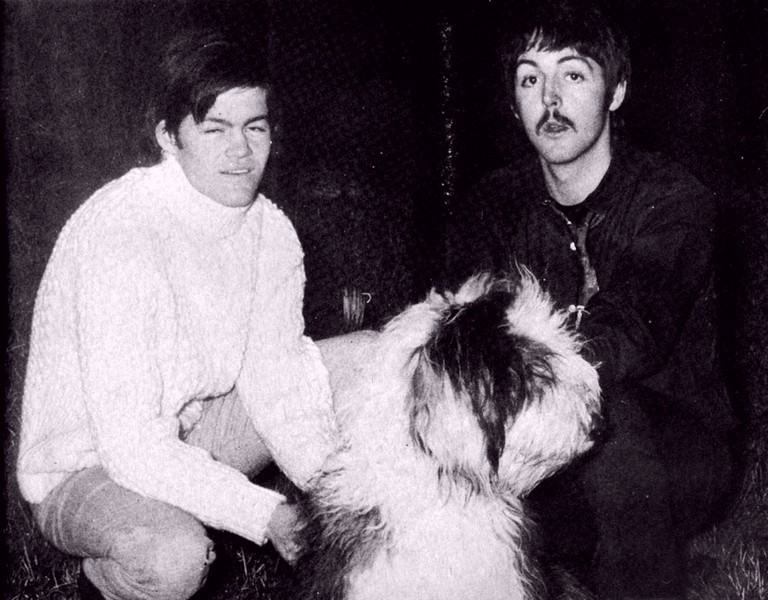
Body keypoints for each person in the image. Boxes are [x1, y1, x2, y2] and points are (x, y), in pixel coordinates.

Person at [16, 28, 340, 600]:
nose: (240, 152)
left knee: (362, 364)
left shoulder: (272, 232)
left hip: (189, 429)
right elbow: (132, 446)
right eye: (215, 129)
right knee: (174, 556)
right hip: (88, 466)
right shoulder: (122, 232)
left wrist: (337, 495)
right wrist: (264, 513)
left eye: (255, 127)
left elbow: (279, 380)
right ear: (169, 136)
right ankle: (113, 576)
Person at [443, 1, 736, 598]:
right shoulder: (491, 207)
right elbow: (464, 331)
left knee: (610, 417)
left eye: (573, 75)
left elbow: (627, 335)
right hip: (537, 444)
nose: (549, 100)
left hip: (674, 448)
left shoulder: (672, 200)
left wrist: (520, 371)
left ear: (617, 90)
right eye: (530, 79)